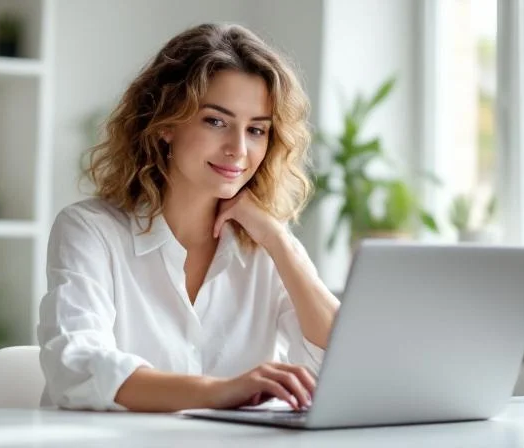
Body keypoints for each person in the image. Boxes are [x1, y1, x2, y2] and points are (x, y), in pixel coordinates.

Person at [37, 23, 340, 413]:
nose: (238, 149)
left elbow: (338, 359)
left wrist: (278, 240)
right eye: (216, 121)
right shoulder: (91, 230)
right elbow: (76, 365)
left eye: (257, 130)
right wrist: (220, 391)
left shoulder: (265, 245)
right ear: (165, 124)